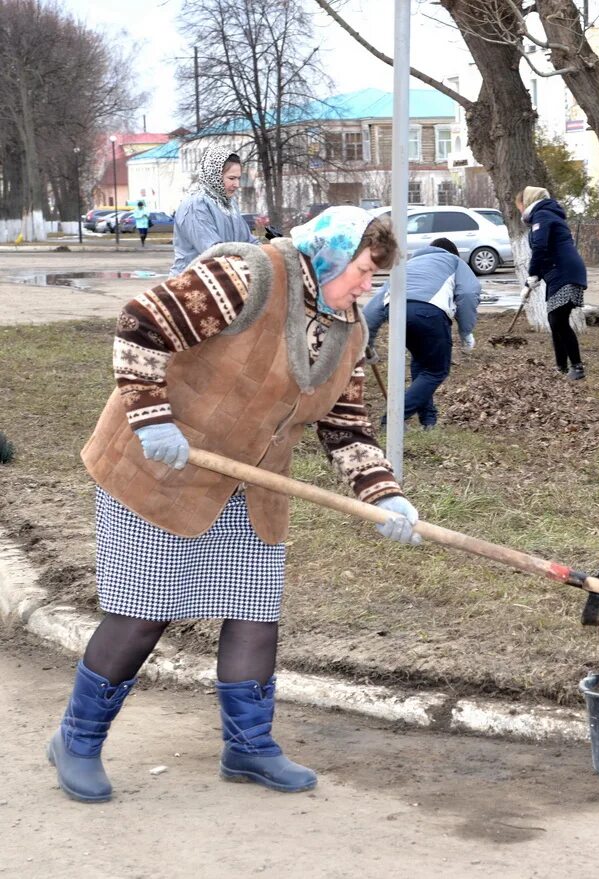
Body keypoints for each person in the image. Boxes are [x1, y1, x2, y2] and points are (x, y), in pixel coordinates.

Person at [47, 206, 422, 804]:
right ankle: (77, 739)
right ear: (329, 253)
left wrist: (386, 496)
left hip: (251, 485)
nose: (365, 287)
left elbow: (345, 426)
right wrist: (150, 416)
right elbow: (142, 321)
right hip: (159, 466)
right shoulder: (250, 274)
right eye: (361, 270)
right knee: (144, 611)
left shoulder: (348, 328)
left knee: (253, 611)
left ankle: (248, 747)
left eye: (374, 277)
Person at [362, 237, 481, 430]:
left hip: (396, 314)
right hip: (429, 313)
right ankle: (393, 419)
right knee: (436, 370)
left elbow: (374, 307)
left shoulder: (406, 265)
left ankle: (428, 420)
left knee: (422, 363)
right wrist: (466, 332)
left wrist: (368, 344)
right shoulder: (454, 261)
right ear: (452, 253)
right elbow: (468, 293)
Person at [516, 186, 588, 380]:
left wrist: (532, 275)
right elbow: (545, 252)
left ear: (529, 202)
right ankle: (561, 367)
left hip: (565, 272)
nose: (520, 212)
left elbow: (540, 246)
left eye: (520, 206)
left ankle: (577, 368)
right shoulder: (546, 215)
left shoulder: (543, 216)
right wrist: (531, 282)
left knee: (558, 320)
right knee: (555, 321)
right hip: (558, 273)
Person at [169, 146, 267, 275]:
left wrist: (269, 254)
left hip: (221, 279)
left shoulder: (229, 203)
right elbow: (214, 251)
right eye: (231, 178)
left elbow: (248, 241)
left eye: (238, 178)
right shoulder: (195, 205)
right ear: (214, 175)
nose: (237, 184)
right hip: (192, 283)